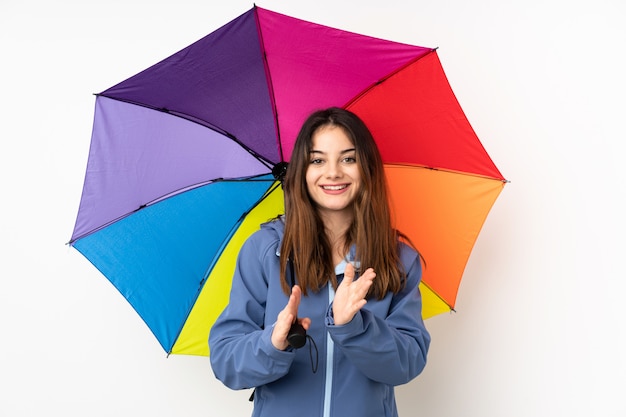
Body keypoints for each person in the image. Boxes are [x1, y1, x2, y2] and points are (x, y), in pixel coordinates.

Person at [209, 107, 430, 417]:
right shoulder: (263, 251)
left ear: (366, 168)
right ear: (302, 171)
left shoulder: (399, 260)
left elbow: (406, 364)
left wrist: (354, 327)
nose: (333, 172)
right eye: (318, 160)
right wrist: (272, 343)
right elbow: (226, 361)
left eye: (348, 159)